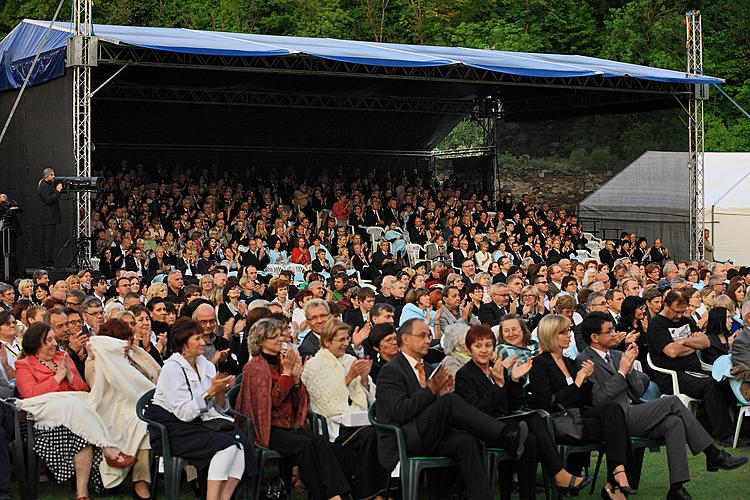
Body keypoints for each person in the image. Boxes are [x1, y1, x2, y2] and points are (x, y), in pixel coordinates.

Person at [577, 312, 747, 500]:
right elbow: (598, 399)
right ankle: (712, 453)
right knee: (672, 401)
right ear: (595, 337)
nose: (615, 334)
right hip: (614, 419)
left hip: (634, 408)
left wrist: (630, 369)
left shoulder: (618, 354)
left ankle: (677, 488)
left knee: (673, 423)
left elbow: (638, 390)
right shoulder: (585, 360)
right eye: (609, 331)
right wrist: (621, 372)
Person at [375, 318, 528, 500]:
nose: (427, 340)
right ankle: (505, 437)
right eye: (422, 336)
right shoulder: (391, 370)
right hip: (404, 438)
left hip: (431, 435)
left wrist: (439, 394)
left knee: (468, 440)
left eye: (429, 336)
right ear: (406, 339)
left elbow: (426, 405)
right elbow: (400, 412)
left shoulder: (429, 367)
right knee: (450, 402)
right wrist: (432, 391)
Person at [454, 324, 590, 499]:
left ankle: (528, 495)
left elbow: (512, 404)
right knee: (534, 418)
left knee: (531, 440)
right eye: (478, 346)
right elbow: (478, 412)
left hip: (505, 424)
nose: (483, 350)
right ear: (469, 348)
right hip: (483, 429)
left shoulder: (498, 368)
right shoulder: (465, 375)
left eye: (488, 345)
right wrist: (498, 385)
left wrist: (515, 380)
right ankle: (559, 473)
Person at [15, 323, 137, 500]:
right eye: (48, 340)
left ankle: (82, 493)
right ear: (35, 343)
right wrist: (58, 378)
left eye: (53, 339)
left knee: (83, 424)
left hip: (76, 417)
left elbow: (84, 390)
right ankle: (109, 449)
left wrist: (71, 377)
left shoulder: (62, 357)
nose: (53, 344)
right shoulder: (24, 365)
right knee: (74, 403)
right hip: (45, 416)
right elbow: (30, 394)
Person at [236, 318, 350, 500]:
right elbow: (271, 401)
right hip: (266, 428)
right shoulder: (255, 367)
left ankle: (337, 494)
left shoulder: (282, 362)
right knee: (303, 445)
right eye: (274, 337)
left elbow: (297, 400)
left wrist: (296, 380)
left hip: (288, 424)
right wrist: (287, 375)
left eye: (280, 335)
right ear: (260, 341)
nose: (280, 340)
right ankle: (321, 495)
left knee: (320, 442)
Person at [144, 317, 256, 500]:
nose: (203, 341)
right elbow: (184, 413)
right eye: (197, 338)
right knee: (227, 446)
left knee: (240, 443)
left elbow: (220, 409)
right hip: (172, 429)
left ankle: (224, 497)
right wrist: (211, 391)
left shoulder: (205, 364)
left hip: (199, 423)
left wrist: (220, 392)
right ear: (183, 342)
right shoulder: (172, 369)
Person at [527, 315, 632, 499]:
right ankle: (615, 481)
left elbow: (586, 400)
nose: (570, 335)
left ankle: (618, 471)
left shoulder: (570, 362)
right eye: (564, 332)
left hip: (579, 416)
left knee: (613, 410)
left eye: (569, 330)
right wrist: (576, 384)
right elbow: (546, 403)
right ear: (551, 335)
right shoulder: (540, 364)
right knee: (617, 427)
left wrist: (586, 382)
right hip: (558, 421)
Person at [301, 318, 389, 500]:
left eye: (346, 339)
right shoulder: (314, 365)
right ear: (326, 341)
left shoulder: (351, 359)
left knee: (378, 433)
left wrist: (364, 379)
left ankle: (377, 492)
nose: (345, 344)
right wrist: (349, 377)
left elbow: (369, 397)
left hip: (357, 418)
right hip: (333, 423)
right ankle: (371, 495)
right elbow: (324, 400)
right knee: (370, 435)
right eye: (340, 340)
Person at [647, 290, 735, 442]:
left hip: (695, 371)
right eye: (676, 311)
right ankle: (726, 435)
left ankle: (709, 427)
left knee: (726, 382)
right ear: (665, 305)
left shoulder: (687, 321)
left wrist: (682, 341)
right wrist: (694, 344)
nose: (680, 316)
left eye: (682, 311)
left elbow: (706, 342)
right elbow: (672, 352)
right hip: (672, 375)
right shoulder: (656, 325)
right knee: (710, 385)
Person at [84, 319, 157, 498]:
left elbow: (158, 371)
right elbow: (96, 387)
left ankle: (192, 476)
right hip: (116, 410)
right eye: (122, 340)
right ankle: (140, 482)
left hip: (148, 402)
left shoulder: (137, 352)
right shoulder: (94, 361)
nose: (127, 344)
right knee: (143, 426)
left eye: (128, 339)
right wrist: (96, 357)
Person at [37, 168, 62, 267]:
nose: (54, 176)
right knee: (48, 241)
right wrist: (57, 191)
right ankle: (47, 262)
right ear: (46, 176)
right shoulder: (44, 185)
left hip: (49, 217)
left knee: (48, 240)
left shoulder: (47, 185)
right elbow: (48, 200)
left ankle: (46, 261)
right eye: (52, 175)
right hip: (49, 217)